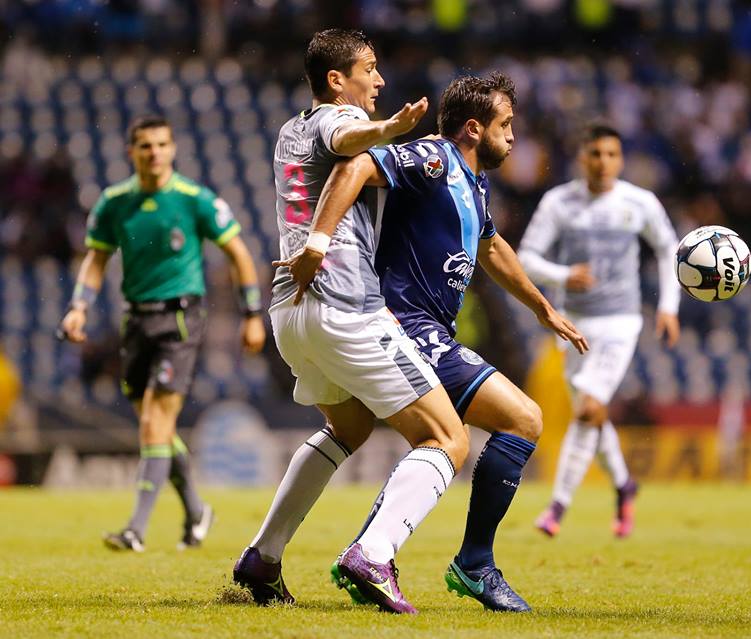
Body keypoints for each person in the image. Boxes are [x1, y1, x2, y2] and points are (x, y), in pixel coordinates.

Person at [291, 72, 588, 612]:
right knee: (522, 420)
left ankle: (360, 552)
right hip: (409, 328)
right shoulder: (433, 157)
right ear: (474, 129)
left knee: (362, 433)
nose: (514, 137)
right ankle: (470, 564)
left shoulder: (473, 183)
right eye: (506, 126)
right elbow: (356, 164)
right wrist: (318, 240)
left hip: (424, 331)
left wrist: (543, 308)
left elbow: (492, 248)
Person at [231, 28, 469, 615]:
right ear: (337, 80)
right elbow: (348, 136)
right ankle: (375, 552)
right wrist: (388, 130)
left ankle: (263, 556)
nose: (380, 80)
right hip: (343, 303)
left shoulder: (290, 131)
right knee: (447, 438)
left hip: (291, 310)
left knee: (349, 429)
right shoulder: (333, 123)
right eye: (370, 68)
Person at [59, 114, 267, 551]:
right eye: (145, 146)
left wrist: (252, 314)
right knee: (155, 426)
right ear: (131, 152)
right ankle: (196, 509)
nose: (154, 153)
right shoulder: (114, 203)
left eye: (161, 144)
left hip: (180, 320)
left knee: (155, 422)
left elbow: (239, 255)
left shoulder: (196, 200)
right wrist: (78, 307)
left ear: (173, 149)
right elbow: (95, 260)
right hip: (134, 322)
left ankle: (136, 528)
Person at [518, 123, 681, 539]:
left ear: (621, 159)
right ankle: (625, 486)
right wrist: (564, 273)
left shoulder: (638, 202)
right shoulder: (560, 203)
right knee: (592, 413)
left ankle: (557, 506)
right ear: (582, 157)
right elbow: (526, 257)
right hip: (573, 325)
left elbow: (668, 247)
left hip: (620, 323)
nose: (603, 162)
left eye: (611, 154)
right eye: (595, 154)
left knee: (589, 408)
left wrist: (668, 306)